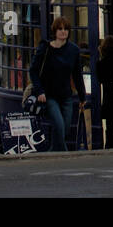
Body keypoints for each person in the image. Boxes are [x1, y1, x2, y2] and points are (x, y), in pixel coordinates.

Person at [30, 16, 88, 152]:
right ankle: (66, 157)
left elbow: (77, 75)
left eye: (66, 29)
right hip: (49, 95)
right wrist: (40, 91)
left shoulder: (73, 50)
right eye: (60, 29)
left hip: (66, 96)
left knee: (65, 129)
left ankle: (51, 155)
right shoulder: (45, 49)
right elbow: (33, 71)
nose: (63, 32)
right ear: (54, 31)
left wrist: (82, 97)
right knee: (59, 125)